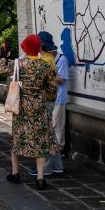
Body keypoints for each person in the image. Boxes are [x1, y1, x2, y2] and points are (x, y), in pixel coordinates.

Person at [0, 34, 59, 190]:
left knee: (18, 139)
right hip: (39, 108)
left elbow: (0, 70)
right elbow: (53, 89)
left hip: (21, 108)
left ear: (25, 47)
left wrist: (4, 56)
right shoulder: (45, 65)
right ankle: (40, 178)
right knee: (40, 142)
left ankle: (15, 173)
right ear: (39, 48)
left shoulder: (19, 64)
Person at [37, 31, 69, 176]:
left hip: (59, 98)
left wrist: (47, 75)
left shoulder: (62, 59)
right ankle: (55, 161)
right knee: (50, 128)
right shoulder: (43, 59)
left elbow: (61, 79)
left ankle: (58, 151)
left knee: (57, 125)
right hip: (47, 98)